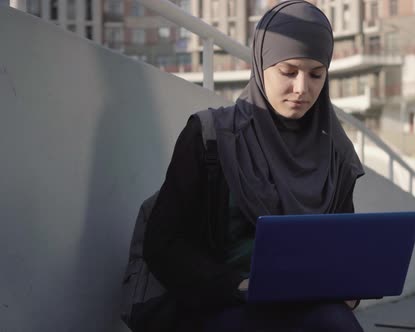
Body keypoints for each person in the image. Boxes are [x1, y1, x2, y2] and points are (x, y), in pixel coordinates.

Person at [142, 1, 365, 331]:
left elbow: (340, 244)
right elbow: (163, 243)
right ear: (261, 65)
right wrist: (236, 285)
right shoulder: (211, 137)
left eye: (316, 74)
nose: (302, 89)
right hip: (222, 302)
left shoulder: (334, 152)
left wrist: (349, 289)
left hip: (308, 304)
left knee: (338, 324)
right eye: (288, 72)